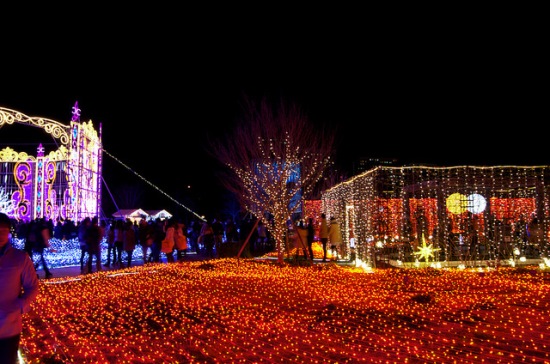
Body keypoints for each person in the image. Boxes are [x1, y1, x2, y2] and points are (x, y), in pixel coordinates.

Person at [0, 212, 39, 363]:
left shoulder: (20, 258)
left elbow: (32, 286)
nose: (0, 235)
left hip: (9, 327)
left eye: (4, 231)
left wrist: (20, 306)